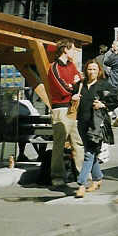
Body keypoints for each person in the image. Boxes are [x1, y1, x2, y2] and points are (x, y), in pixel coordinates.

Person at [73, 60, 118, 198]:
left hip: (97, 123)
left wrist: (103, 104)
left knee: (89, 153)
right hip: (82, 122)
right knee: (91, 152)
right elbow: (71, 96)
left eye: (94, 69)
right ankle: (98, 178)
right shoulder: (80, 85)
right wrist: (73, 98)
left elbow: (117, 98)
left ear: (99, 71)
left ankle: (81, 183)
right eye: (89, 69)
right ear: (85, 71)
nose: (91, 72)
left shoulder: (103, 85)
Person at [46, 39, 85, 186]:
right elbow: (61, 88)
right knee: (59, 143)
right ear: (65, 50)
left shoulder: (71, 65)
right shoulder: (54, 67)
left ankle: (82, 173)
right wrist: (73, 87)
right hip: (61, 108)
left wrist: (74, 85)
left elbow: (80, 80)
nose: (74, 52)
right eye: (73, 49)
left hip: (73, 107)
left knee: (78, 142)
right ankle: (57, 175)